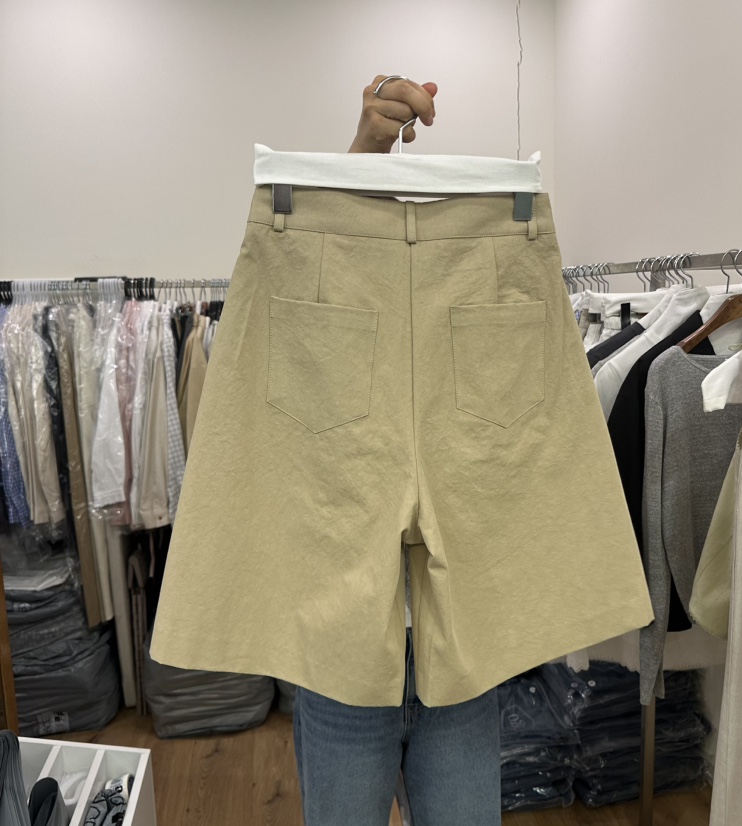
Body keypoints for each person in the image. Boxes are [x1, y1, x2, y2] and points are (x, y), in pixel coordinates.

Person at [291, 75, 503, 826]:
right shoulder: (312, 301)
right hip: (341, 656)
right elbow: (317, 283)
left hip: (465, 652)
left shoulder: (488, 303)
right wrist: (363, 154)